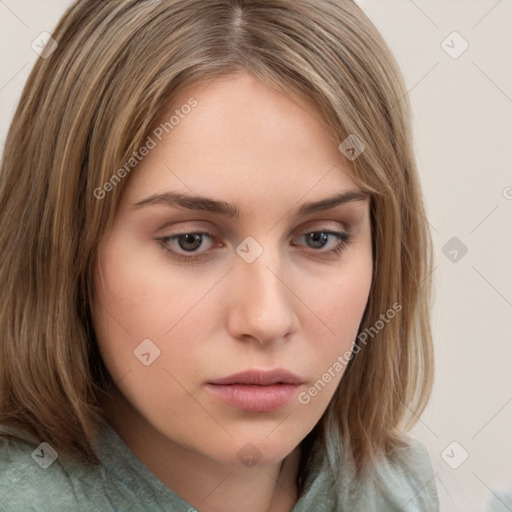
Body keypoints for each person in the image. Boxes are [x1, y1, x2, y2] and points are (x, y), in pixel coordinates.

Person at [0, 0, 438, 510]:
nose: (267, 319)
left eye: (320, 237)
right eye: (190, 240)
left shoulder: (401, 490)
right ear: (65, 250)